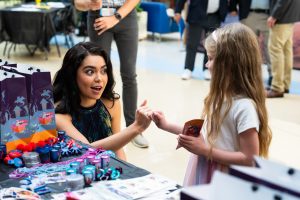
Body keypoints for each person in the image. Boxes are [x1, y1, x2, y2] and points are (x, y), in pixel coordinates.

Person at [150, 23, 272, 186]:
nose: (207, 64)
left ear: (230, 64)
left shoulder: (244, 107)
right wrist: (166, 125)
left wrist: (205, 151)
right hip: (207, 171)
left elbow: (250, 159)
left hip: (224, 182)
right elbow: (205, 135)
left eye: (211, 59)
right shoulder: (219, 98)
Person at [53, 42, 152, 161]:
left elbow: (118, 148)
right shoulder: (59, 115)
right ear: (72, 75)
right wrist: (136, 127)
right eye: (90, 71)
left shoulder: (111, 104)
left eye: (103, 71)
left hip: (109, 171)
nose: (99, 78)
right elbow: (87, 151)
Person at [74, 0, 149, 148]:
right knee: (99, 74)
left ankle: (133, 128)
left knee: (129, 74)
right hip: (99, 18)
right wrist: (89, 4)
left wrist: (115, 17)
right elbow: (78, 3)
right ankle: (101, 125)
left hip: (125, 17)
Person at [174, 0, 227, 80]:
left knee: (211, 45)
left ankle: (207, 69)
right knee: (192, 43)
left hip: (215, 16)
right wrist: (178, 11)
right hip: (197, 13)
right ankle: (188, 68)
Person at [229, 0, 272, 86]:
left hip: (269, 16)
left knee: (270, 48)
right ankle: (246, 76)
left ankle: (272, 76)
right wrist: (233, 7)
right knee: (247, 47)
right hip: (248, 14)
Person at [266, 0, 300, 98]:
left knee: (275, 50)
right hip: (290, 16)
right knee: (286, 50)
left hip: (281, 17)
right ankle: (284, 84)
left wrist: (274, 15)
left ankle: (277, 87)